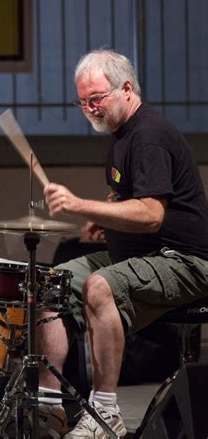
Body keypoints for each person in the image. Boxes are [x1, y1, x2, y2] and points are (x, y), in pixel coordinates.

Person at [37, 49, 208, 438]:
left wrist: (80, 204)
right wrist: (107, 217)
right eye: (82, 101)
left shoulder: (148, 135)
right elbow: (132, 199)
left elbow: (151, 214)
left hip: (184, 261)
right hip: (141, 254)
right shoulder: (121, 137)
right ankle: (48, 408)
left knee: (99, 286)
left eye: (96, 98)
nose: (89, 108)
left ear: (126, 88)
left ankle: (105, 414)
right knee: (52, 282)